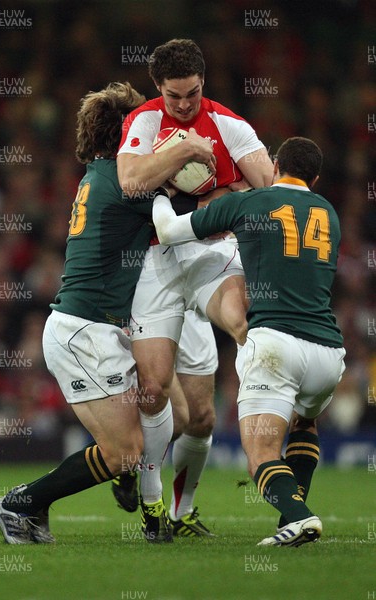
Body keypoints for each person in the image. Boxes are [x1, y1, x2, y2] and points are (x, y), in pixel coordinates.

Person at [0, 82, 198, 544]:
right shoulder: (127, 182)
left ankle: (132, 487)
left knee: (173, 414)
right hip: (83, 333)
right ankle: (19, 503)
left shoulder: (102, 175)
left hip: (103, 330)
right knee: (124, 452)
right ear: (127, 131)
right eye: (144, 126)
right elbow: (189, 213)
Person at [152, 136, 346, 546]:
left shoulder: (249, 204)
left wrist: (158, 193)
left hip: (275, 345)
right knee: (303, 421)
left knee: (260, 454)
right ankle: (291, 519)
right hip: (329, 353)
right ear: (315, 177)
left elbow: (168, 231)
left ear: (274, 164)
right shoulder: (329, 213)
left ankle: (298, 516)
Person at [116, 38, 273, 539]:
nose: (184, 105)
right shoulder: (142, 121)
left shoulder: (229, 124)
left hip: (209, 251)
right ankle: (146, 497)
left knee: (202, 415)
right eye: (174, 96)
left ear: (203, 83)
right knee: (155, 388)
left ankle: (182, 516)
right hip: (157, 260)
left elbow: (270, 189)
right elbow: (129, 181)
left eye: (193, 94)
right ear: (157, 88)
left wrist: (230, 195)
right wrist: (185, 148)